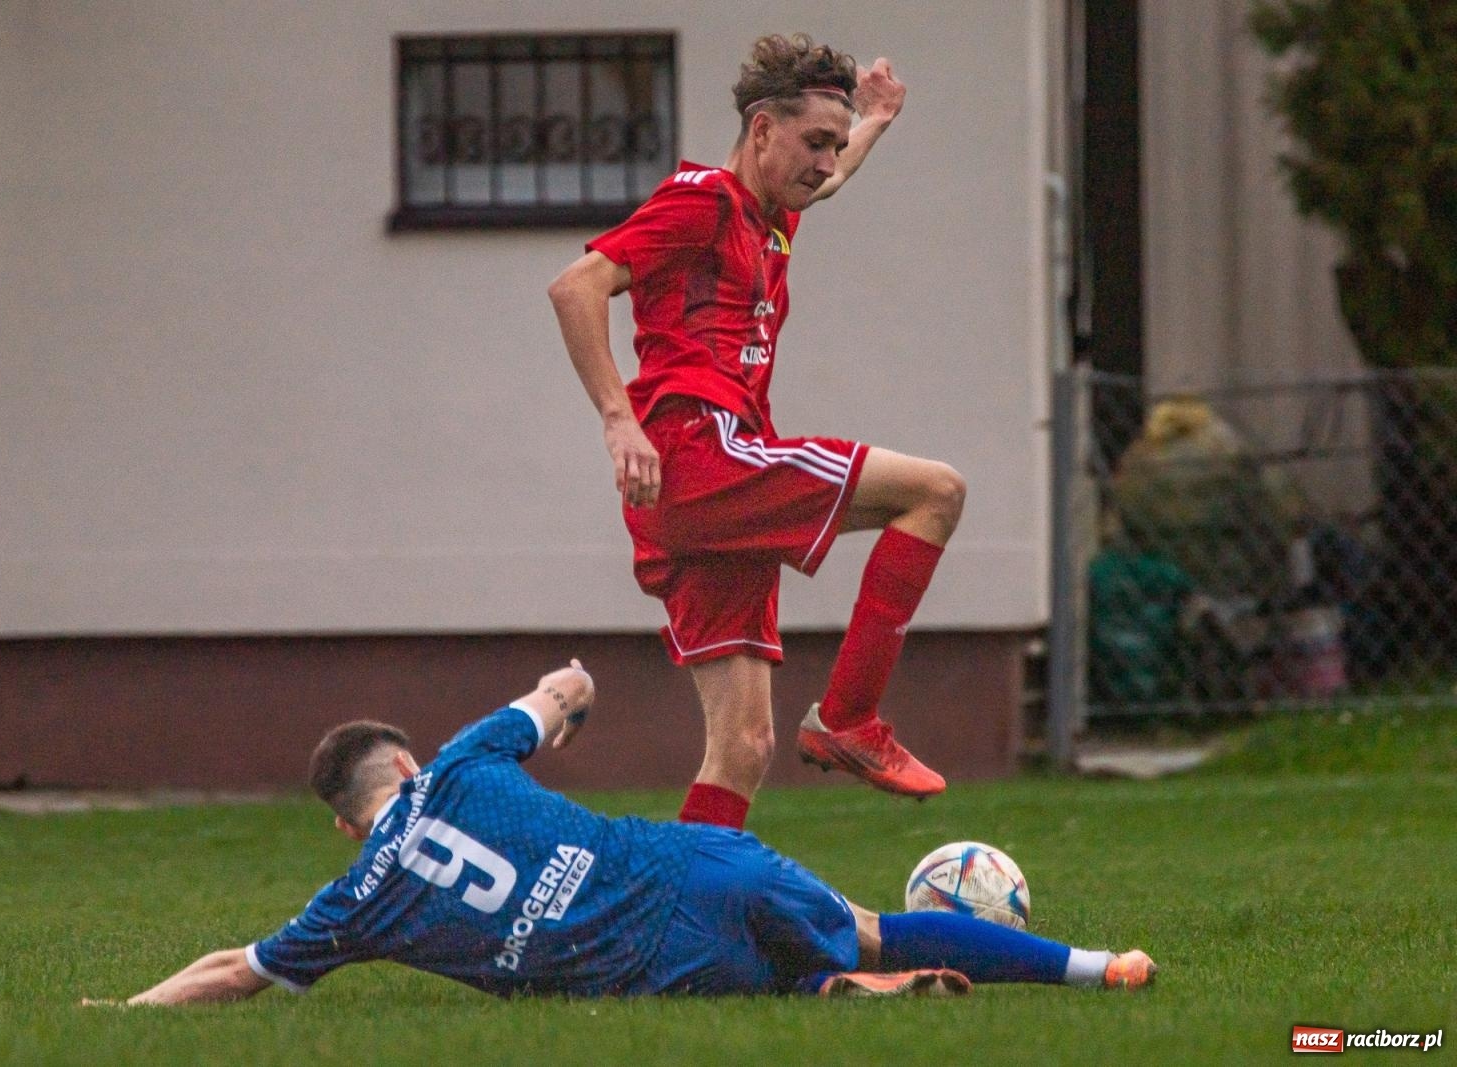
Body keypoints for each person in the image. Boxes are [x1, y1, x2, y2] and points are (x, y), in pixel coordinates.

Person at [85, 662, 1156, 1006]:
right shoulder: (460, 760)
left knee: (771, 987)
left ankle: (838, 990)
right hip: (688, 859)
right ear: (405, 764)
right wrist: (573, 697)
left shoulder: (354, 900)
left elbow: (236, 968)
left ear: (342, 820)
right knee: (877, 927)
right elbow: (558, 688)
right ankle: (1101, 967)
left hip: (638, 962)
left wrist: (118, 1010)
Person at [548, 33, 967, 829]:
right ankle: (849, 718)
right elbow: (577, 286)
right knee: (936, 493)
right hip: (703, 456)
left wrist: (873, 120)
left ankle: (682, 933)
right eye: (813, 141)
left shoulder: (770, 213)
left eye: (834, 146)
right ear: (761, 129)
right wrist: (618, 420)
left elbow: (831, 180)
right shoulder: (703, 201)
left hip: (696, 497)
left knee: (742, 746)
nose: (825, 161)